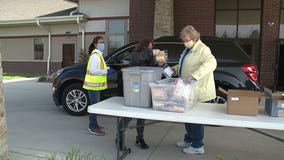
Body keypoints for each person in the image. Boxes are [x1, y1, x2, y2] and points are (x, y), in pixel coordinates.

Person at [172, 25, 217, 154]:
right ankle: (189, 139)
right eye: (183, 40)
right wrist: (174, 69)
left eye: (186, 39)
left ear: (194, 37)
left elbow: (212, 63)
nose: (185, 42)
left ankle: (197, 146)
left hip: (200, 91)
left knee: (197, 120)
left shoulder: (203, 49)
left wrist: (195, 76)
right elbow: (184, 64)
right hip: (188, 91)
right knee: (188, 118)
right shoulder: (188, 50)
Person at [118, 39, 159, 150]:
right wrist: (151, 53)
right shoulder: (135, 54)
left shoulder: (149, 55)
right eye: (148, 47)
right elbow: (138, 59)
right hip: (133, 89)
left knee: (142, 116)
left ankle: (139, 138)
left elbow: (153, 68)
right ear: (143, 47)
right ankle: (120, 138)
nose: (150, 49)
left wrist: (160, 61)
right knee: (128, 115)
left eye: (151, 47)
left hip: (145, 90)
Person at [84, 36, 108, 136]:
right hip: (93, 86)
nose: (102, 44)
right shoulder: (95, 56)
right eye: (100, 42)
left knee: (95, 106)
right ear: (95, 44)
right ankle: (92, 126)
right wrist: (106, 71)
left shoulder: (98, 55)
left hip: (95, 86)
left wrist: (107, 68)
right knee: (94, 107)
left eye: (103, 42)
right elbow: (93, 70)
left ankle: (95, 125)